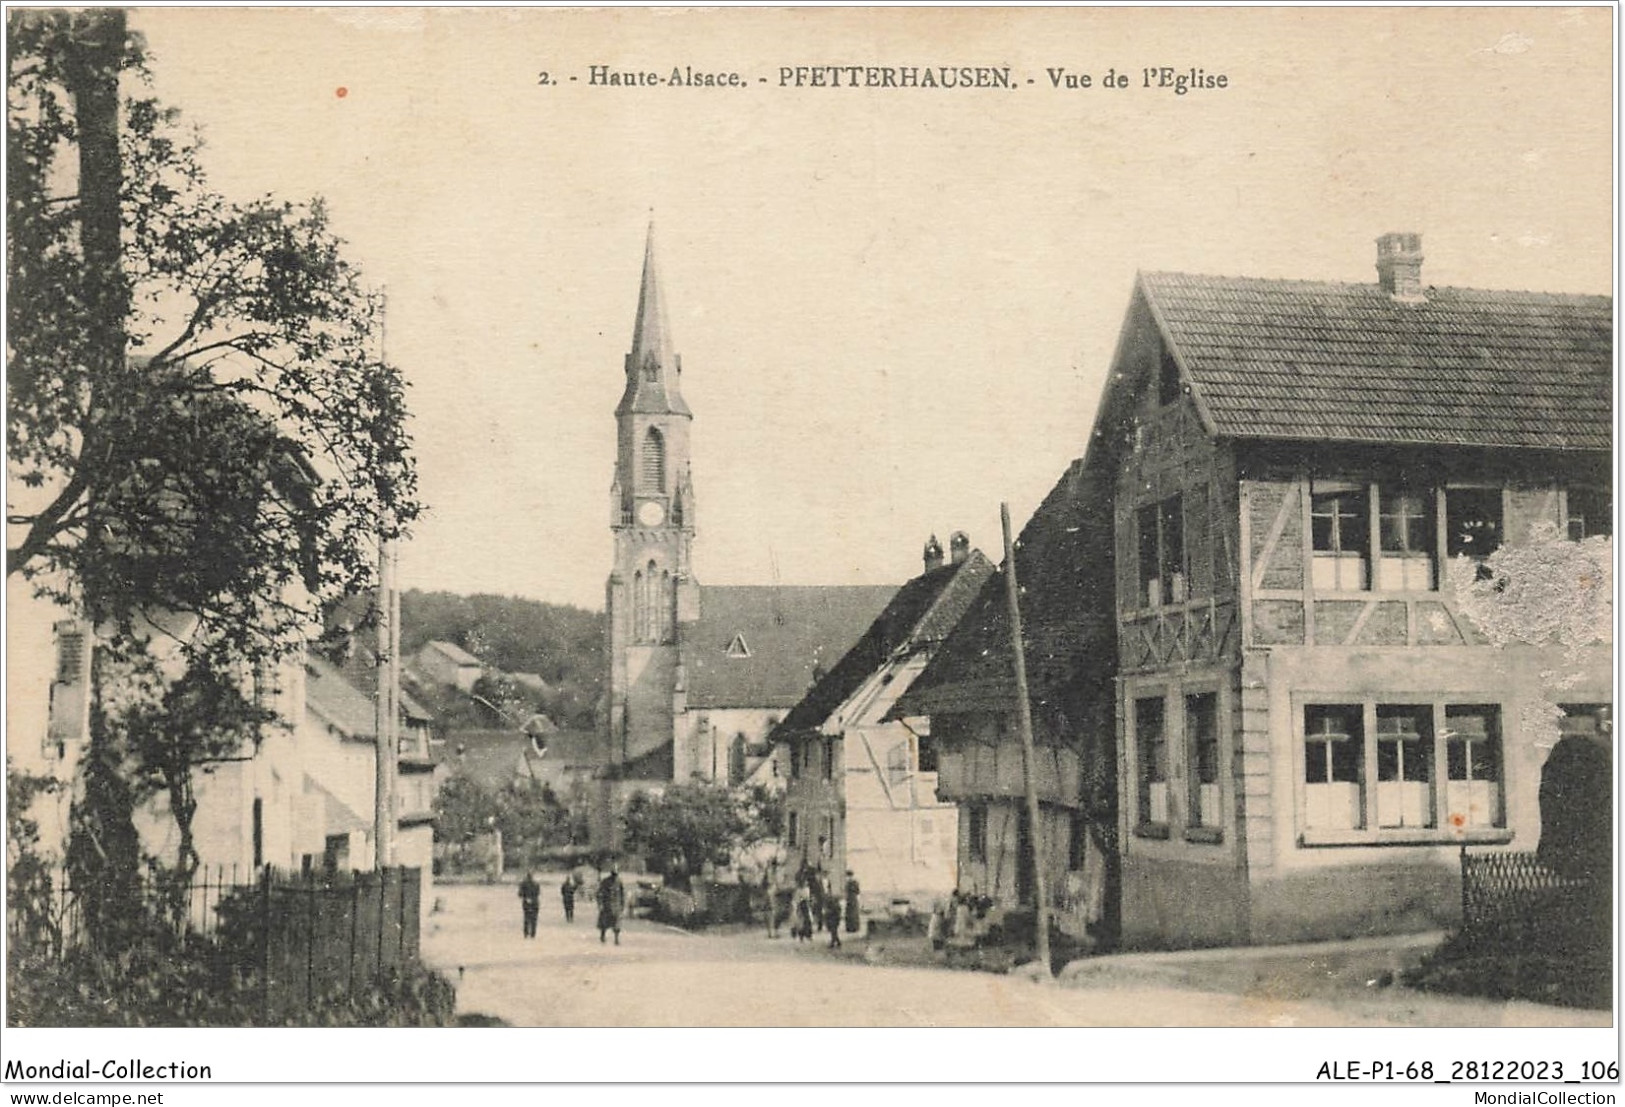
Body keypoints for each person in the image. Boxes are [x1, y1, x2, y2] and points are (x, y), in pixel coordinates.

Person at [596, 868, 627, 945]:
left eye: (616, 875)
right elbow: (599, 893)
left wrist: (622, 905)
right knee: (604, 923)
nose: (614, 877)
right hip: (607, 905)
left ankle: (616, 939)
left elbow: (622, 894)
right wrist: (600, 904)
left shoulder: (619, 882)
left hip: (616, 906)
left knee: (617, 924)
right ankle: (603, 936)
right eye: (613, 874)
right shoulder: (605, 882)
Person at [517, 871, 540, 939]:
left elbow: (520, 894)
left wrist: (526, 897)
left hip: (526, 903)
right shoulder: (536, 884)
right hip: (535, 902)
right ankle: (533, 933)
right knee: (534, 919)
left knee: (526, 918)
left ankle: (526, 933)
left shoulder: (523, 884)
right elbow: (538, 893)